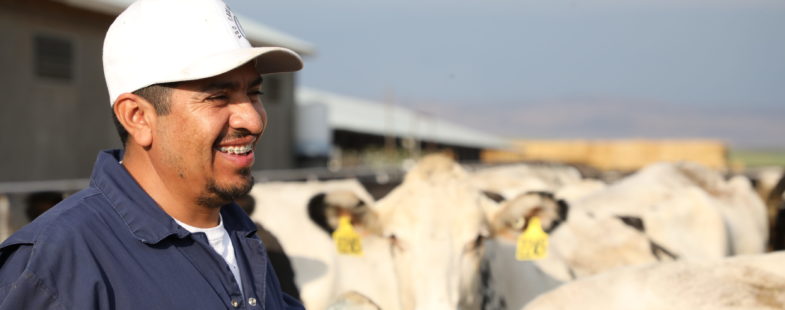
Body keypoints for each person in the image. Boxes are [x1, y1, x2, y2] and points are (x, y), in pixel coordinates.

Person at [0, 0, 305, 309]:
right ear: (137, 117)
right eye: (218, 97)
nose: (252, 120)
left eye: (254, 94)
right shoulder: (59, 265)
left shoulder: (242, 236)